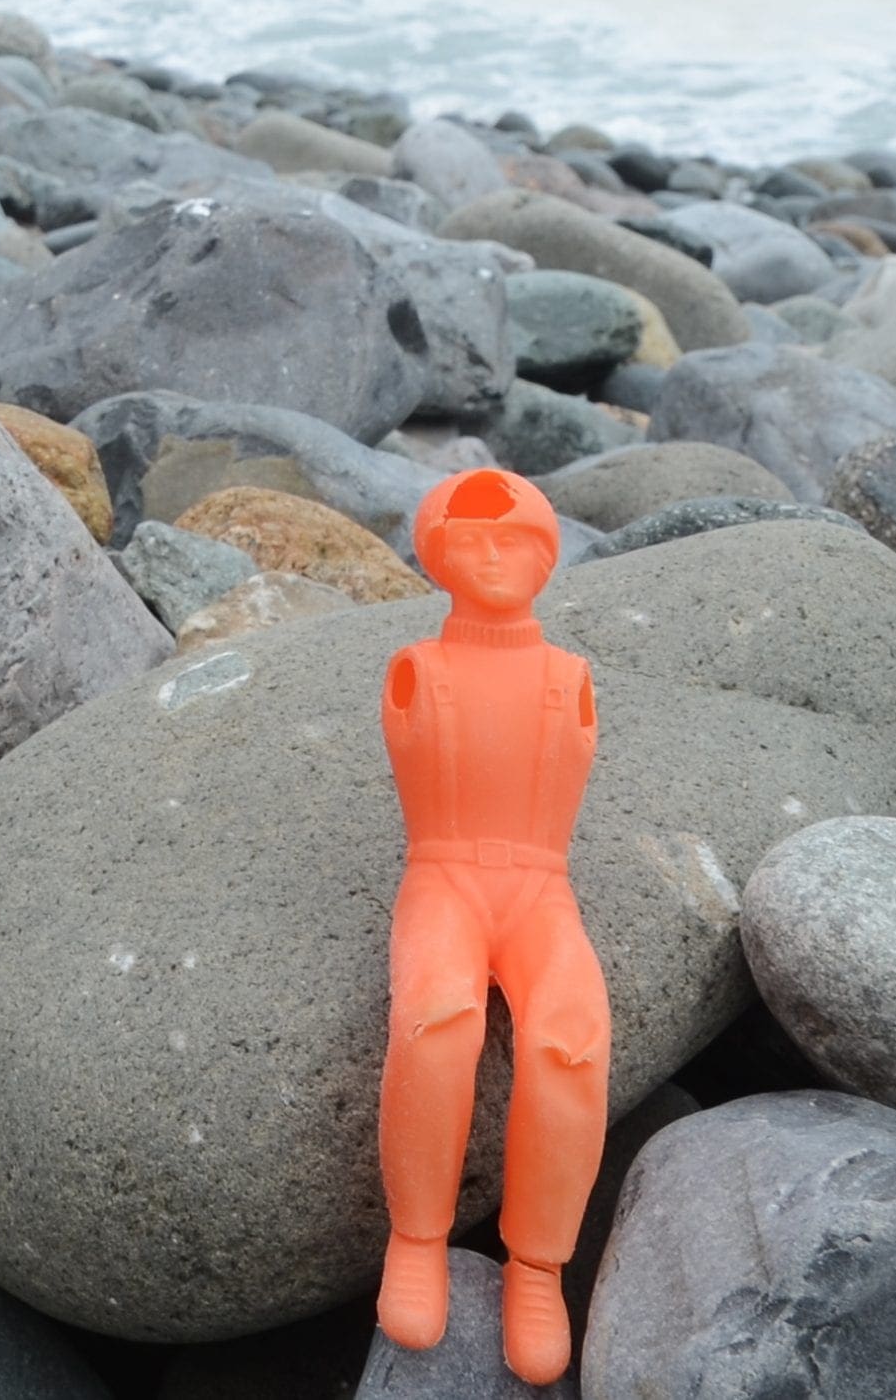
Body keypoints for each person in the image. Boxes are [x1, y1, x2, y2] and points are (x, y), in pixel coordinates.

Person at [375, 467, 610, 1386]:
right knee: (435, 1018)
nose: (491, 557)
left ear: (547, 555)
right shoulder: (418, 667)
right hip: (444, 876)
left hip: (540, 889)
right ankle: (415, 1239)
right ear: (435, 555)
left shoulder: (568, 677)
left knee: (571, 1042)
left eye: (513, 539)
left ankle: (539, 1266)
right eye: (468, 540)